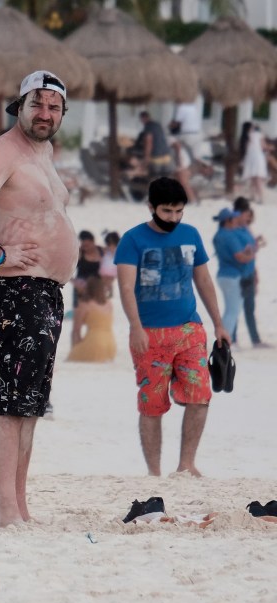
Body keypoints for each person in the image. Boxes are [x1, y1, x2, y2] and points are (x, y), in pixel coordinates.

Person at [0, 70, 78, 528]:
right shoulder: (4, 150)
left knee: (31, 405)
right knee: (10, 402)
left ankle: (21, 506)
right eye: (37, 104)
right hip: (19, 289)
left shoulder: (42, 153)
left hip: (46, 291)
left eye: (53, 107)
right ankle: (6, 511)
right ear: (20, 107)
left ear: (62, 113)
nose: (44, 113)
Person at [114, 177, 230, 478]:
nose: (174, 218)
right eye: (167, 211)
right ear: (151, 206)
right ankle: (154, 472)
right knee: (151, 402)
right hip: (149, 333)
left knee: (201, 394)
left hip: (190, 329)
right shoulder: (132, 239)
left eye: (179, 211)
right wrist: (135, 327)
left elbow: (203, 280)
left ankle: (186, 464)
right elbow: (126, 288)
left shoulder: (191, 235)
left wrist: (219, 324)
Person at [211, 207, 255, 341]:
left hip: (223, 275)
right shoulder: (229, 236)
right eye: (234, 218)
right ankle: (224, 340)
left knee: (230, 309)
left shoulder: (218, 235)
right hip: (232, 276)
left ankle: (224, 338)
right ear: (228, 221)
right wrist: (251, 253)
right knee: (232, 310)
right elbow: (240, 257)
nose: (236, 220)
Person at [232, 198, 268, 348]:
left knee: (249, 308)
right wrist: (255, 247)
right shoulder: (232, 229)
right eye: (246, 214)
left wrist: (256, 273)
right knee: (234, 308)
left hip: (249, 272)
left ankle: (255, 339)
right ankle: (232, 339)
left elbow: (250, 252)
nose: (248, 217)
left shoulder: (246, 228)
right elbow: (240, 253)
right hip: (238, 274)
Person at [67, 275, 116, 362]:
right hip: (111, 344)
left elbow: (76, 331)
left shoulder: (85, 305)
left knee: (72, 358)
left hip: (95, 344)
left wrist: (74, 350)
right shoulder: (109, 304)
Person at [134, 111, 174, 178]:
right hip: (167, 157)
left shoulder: (148, 127)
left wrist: (146, 158)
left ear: (143, 118)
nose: (142, 122)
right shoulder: (158, 125)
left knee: (154, 179)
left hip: (157, 158)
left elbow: (149, 142)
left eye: (141, 120)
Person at [239, 121, 268, 204]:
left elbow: (246, 149)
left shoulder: (245, 136)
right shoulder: (259, 135)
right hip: (258, 157)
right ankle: (260, 198)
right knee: (258, 179)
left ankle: (253, 196)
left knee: (252, 178)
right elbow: (264, 146)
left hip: (250, 157)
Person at [72, 230, 102, 308]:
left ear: (93, 242)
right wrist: (75, 282)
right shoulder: (79, 253)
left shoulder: (101, 251)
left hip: (97, 288)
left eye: (87, 245)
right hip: (81, 288)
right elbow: (65, 270)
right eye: (84, 245)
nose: (86, 248)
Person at [99, 231, 121, 296]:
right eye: (109, 245)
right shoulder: (105, 250)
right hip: (104, 269)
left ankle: (108, 292)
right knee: (104, 282)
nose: (111, 247)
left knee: (109, 281)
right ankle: (104, 293)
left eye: (113, 245)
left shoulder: (118, 251)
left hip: (112, 271)